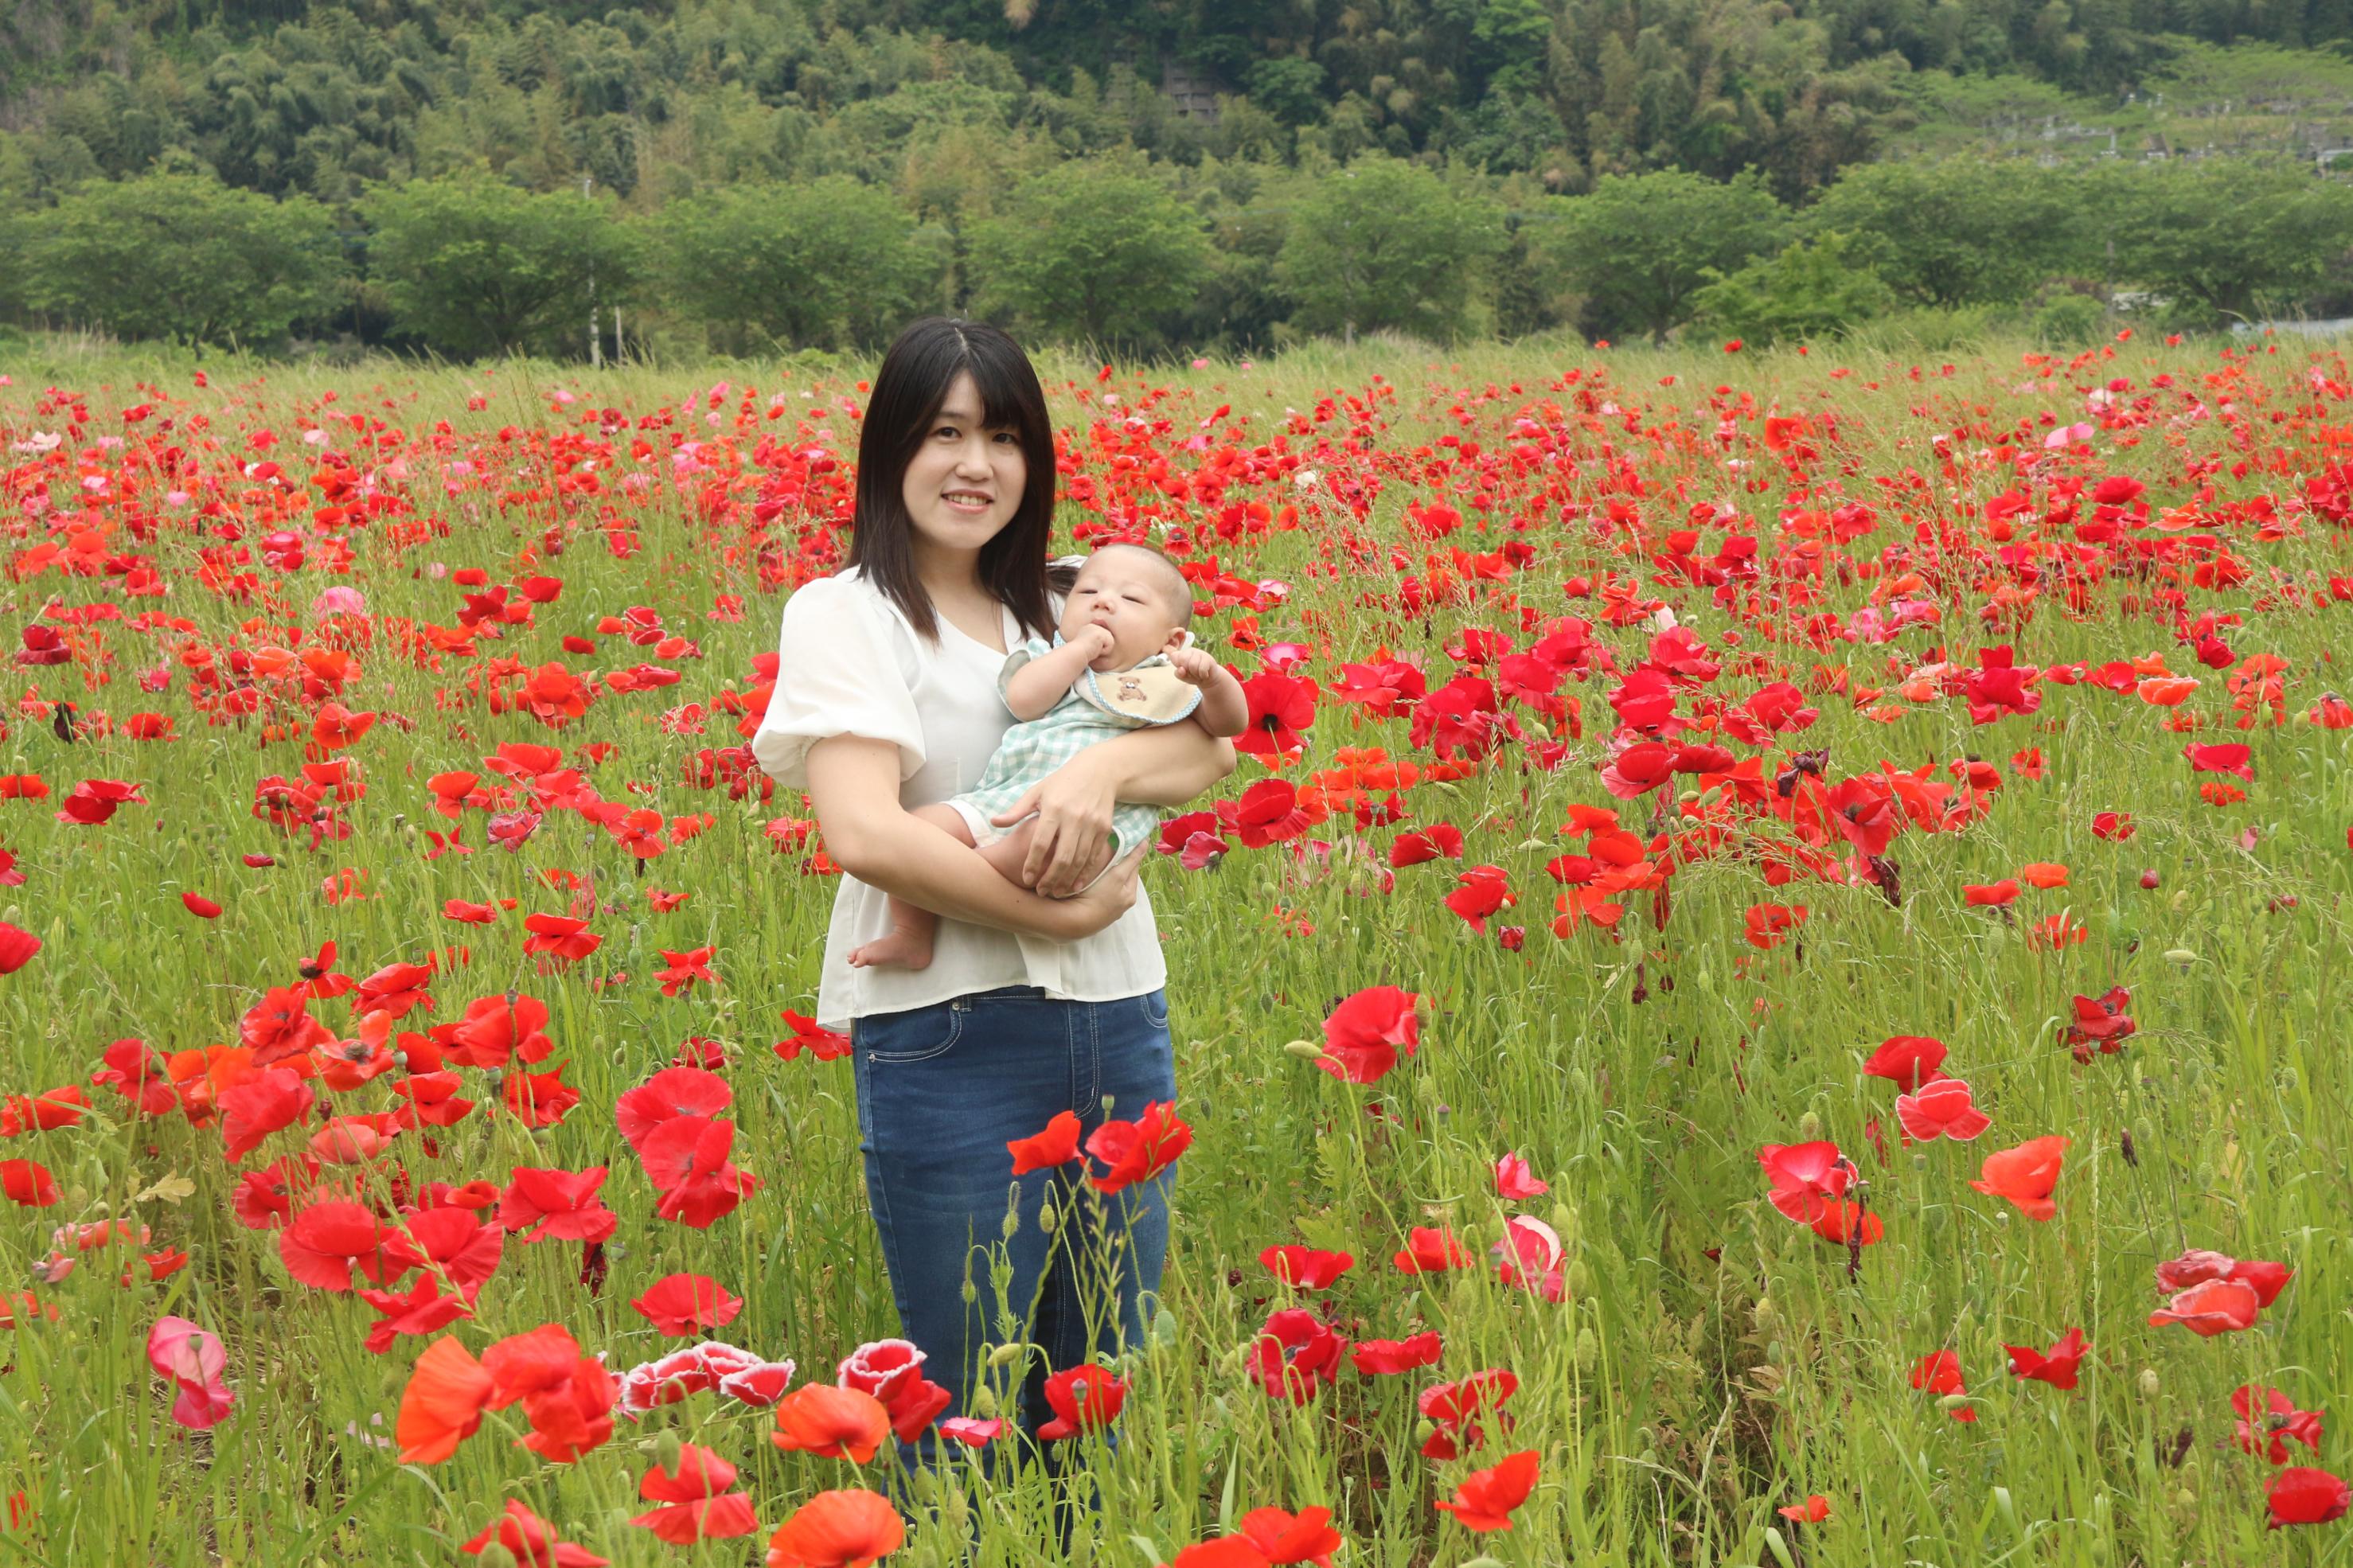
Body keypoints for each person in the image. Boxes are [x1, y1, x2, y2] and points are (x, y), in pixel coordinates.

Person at [748, 318, 1239, 1508]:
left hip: (1118, 1019)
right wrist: (1057, 920)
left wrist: (1099, 774)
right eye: (947, 432)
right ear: (891, 450)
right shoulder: (847, 611)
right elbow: (863, 831)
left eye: (1005, 437)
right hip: (949, 1027)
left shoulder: (1078, 601)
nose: (976, 464)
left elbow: (1207, 755)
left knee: (1099, 1383)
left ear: (1037, 462)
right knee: (965, 1396)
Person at [846, 540, 1248, 972]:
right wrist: (1077, 651)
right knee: (921, 829)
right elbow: (1023, 701)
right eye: (1087, 593)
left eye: (1130, 599)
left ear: (1171, 639)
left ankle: (955, 881)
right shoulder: (1052, 656)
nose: (1104, 604)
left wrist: (1214, 682)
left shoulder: (1167, 678)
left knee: (1033, 847)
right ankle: (912, 934)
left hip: (1093, 825)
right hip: (1003, 798)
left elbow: (1224, 730)